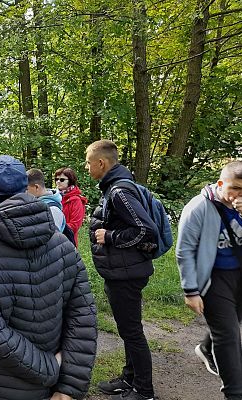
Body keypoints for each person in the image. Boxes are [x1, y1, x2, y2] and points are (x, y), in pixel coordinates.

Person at [0, 155, 97, 400]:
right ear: (26, 190)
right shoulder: (64, 245)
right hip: (52, 381)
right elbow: (84, 317)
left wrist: (52, 371)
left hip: (0, 387)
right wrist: (68, 386)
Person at [86, 140, 157, 400]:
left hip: (127, 273)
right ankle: (130, 378)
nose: (86, 166)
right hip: (122, 271)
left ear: (101, 163)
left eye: (88, 161)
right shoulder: (114, 188)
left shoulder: (118, 192)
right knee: (128, 329)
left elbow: (145, 229)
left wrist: (110, 236)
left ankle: (144, 390)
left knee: (132, 332)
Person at [176, 160, 242, 400]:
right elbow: (184, 250)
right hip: (213, 278)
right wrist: (190, 290)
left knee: (232, 323)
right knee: (229, 336)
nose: (238, 195)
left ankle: (205, 348)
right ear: (220, 183)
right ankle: (235, 393)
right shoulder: (200, 207)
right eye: (234, 188)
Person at [54, 167, 88, 246]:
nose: (58, 182)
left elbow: (75, 225)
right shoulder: (54, 197)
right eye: (56, 179)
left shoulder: (76, 200)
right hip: (52, 242)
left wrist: (55, 229)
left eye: (62, 180)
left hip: (68, 242)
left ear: (70, 181)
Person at [27, 168, 67, 232]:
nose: (24, 193)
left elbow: (53, 238)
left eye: (26, 189)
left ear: (37, 187)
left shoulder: (53, 210)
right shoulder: (37, 203)